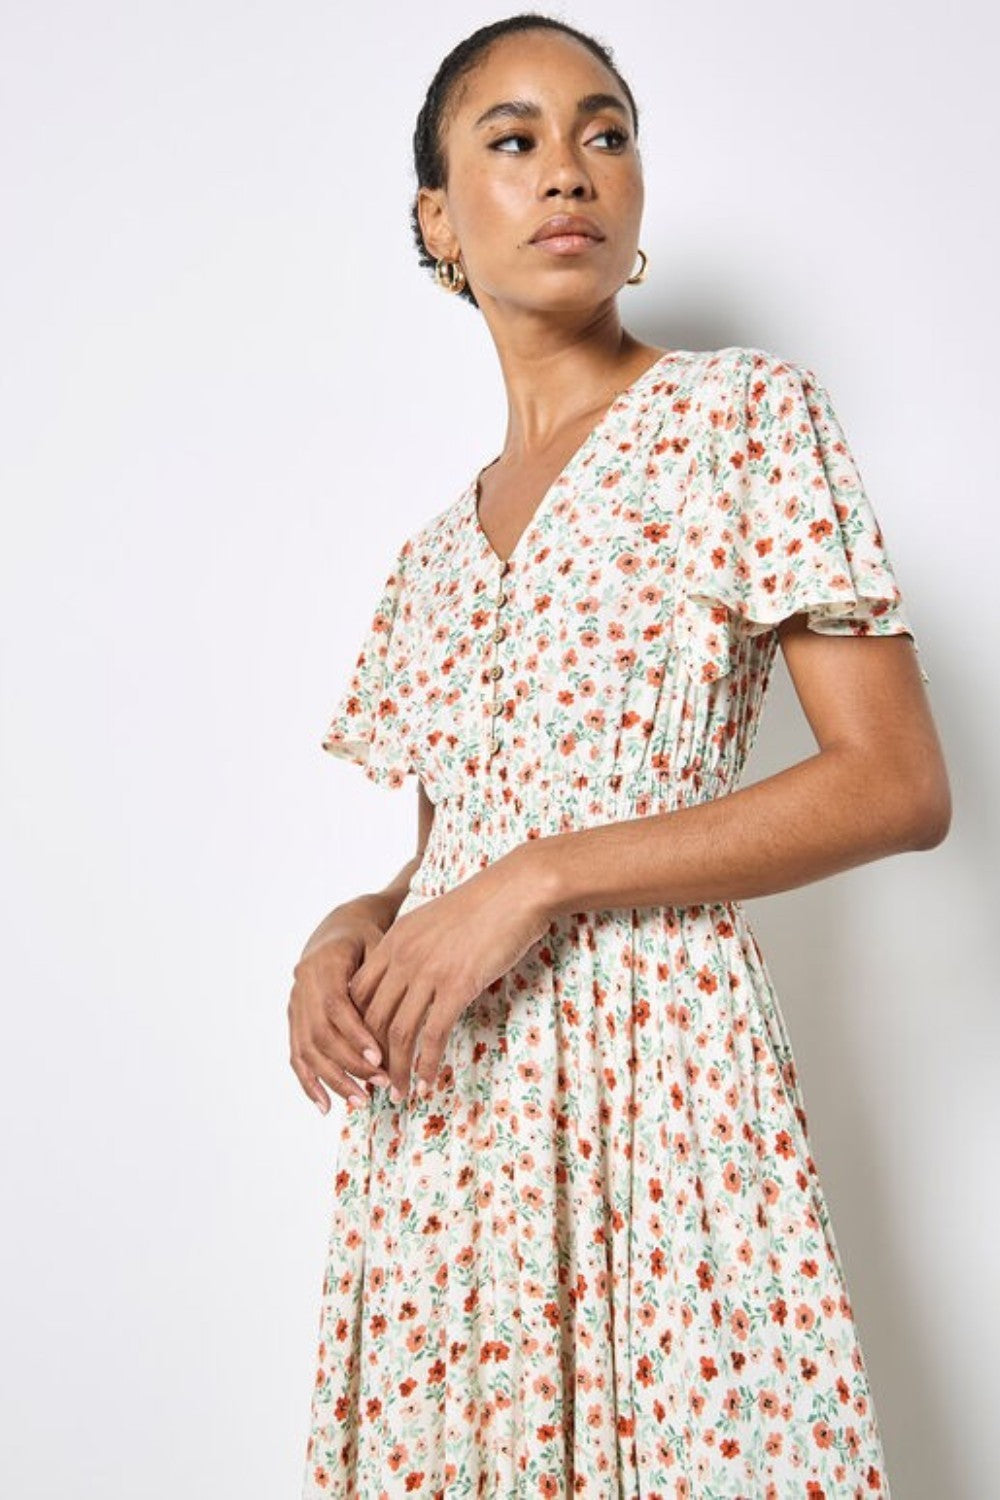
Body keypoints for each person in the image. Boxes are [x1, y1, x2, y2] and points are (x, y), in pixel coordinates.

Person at [291, 14, 951, 1497]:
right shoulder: (429, 561)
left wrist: (540, 880)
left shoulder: (741, 417)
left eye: (605, 132)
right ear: (438, 219)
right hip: (447, 1122)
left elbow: (897, 785)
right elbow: (448, 848)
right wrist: (349, 931)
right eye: (511, 142)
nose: (570, 172)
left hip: (667, 1081)